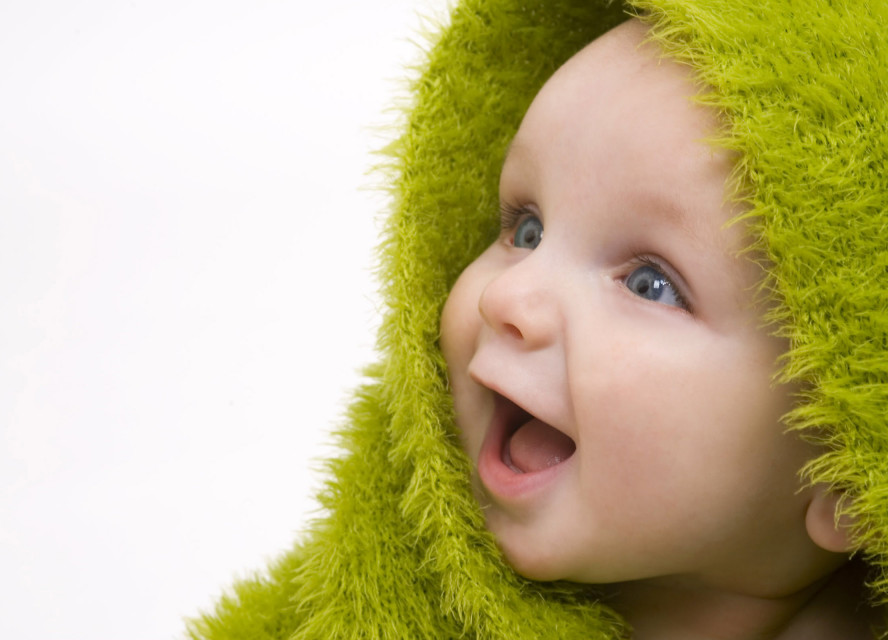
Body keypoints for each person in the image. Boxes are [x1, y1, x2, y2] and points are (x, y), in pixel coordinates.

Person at [190, 1, 888, 638]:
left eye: (650, 284)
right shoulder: (372, 584)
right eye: (526, 230)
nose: (509, 299)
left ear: (849, 469)